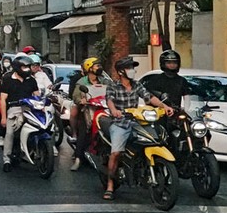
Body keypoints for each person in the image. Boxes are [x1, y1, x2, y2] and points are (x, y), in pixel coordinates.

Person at [103, 57, 174, 199]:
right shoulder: (113, 86)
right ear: (121, 71)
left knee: (154, 139)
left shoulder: (137, 85)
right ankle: (110, 185)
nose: (133, 71)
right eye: (129, 68)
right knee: (116, 153)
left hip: (137, 122)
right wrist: (114, 111)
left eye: (132, 68)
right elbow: (109, 100)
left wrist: (164, 106)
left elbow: (149, 97)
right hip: (120, 123)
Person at [0, 55, 40, 170]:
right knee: (10, 133)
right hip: (14, 109)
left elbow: (37, 95)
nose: (27, 69)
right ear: (17, 67)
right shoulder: (7, 79)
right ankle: (6, 159)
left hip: (29, 109)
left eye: (28, 67)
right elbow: (3, 100)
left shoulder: (31, 80)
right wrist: (3, 117)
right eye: (24, 67)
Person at [70, 57, 109, 171]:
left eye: (99, 65)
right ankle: (78, 159)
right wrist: (80, 100)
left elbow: (112, 90)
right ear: (89, 68)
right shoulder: (81, 82)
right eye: (97, 66)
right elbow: (76, 95)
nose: (99, 68)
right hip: (88, 109)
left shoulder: (104, 81)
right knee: (84, 131)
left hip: (103, 109)